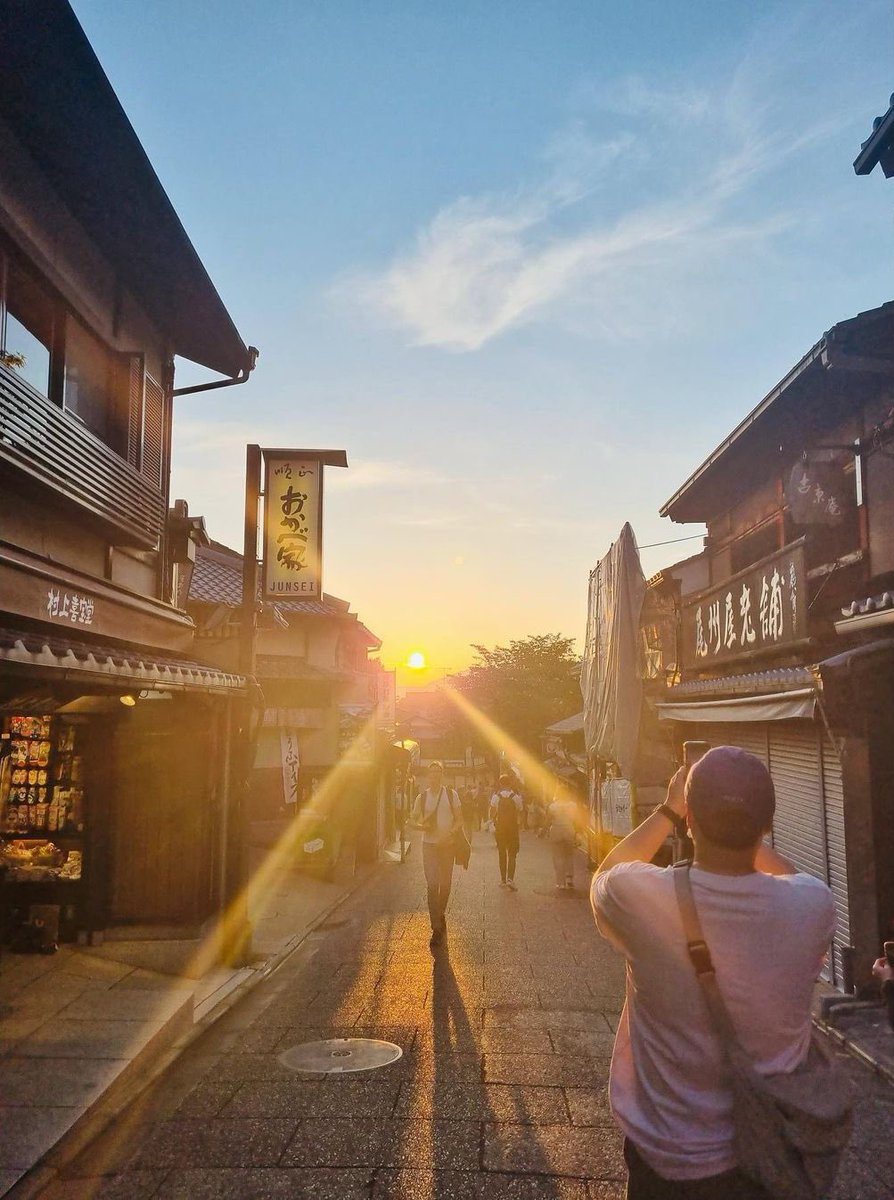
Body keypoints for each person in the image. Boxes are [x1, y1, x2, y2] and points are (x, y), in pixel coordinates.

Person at [591, 746, 835, 1199]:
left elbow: (606, 872)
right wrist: (748, 836)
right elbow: (791, 881)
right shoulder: (812, 906)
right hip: (769, 1154)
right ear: (768, 824)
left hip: (667, 1159)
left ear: (690, 821)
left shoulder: (640, 898)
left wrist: (668, 807)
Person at [412, 761, 463, 949]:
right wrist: (420, 826)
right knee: (433, 884)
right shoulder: (422, 798)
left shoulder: (451, 795)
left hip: (447, 846)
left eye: (438, 772)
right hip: (429, 846)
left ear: (442, 775)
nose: (435, 775)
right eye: (432, 772)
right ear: (428, 775)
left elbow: (459, 820)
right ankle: (436, 926)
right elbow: (412, 819)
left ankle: (440, 912)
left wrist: (450, 833)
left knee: (445, 884)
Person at [490, 773, 523, 890]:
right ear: (510, 783)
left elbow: (492, 812)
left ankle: (503, 880)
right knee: (512, 854)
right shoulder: (516, 797)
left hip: (500, 829)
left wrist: (494, 820)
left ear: (500, 783)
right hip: (513, 829)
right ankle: (510, 879)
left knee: (502, 853)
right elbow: (520, 810)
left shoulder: (496, 797)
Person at [547, 793, 577, 890]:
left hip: (556, 829)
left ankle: (561, 882)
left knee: (558, 856)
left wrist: (545, 830)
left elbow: (549, 819)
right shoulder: (573, 805)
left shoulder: (552, 806)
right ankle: (570, 879)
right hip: (569, 829)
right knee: (569, 855)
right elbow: (576, 820)